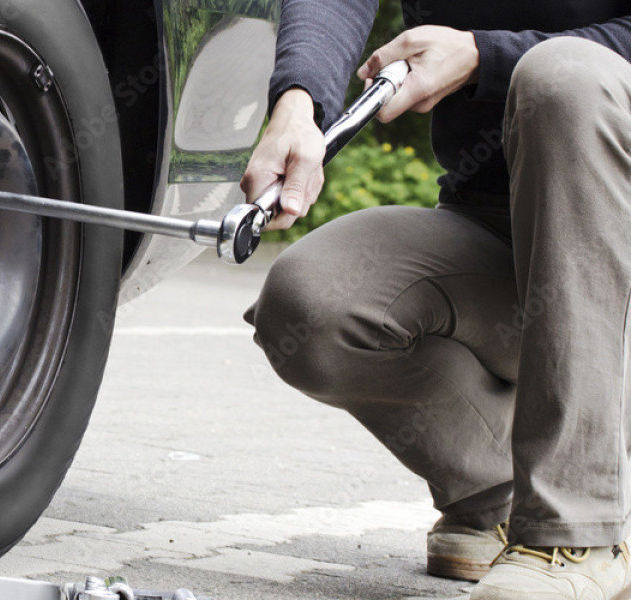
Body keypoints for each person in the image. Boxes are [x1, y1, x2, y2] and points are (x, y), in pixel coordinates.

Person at [242, 2, 631, 599]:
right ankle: (498, 492)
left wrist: (483, 54)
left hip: (613, 228)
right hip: (496, 225)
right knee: (312, 305)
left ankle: (576, 530)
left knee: (566, 75)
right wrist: (299, 102)